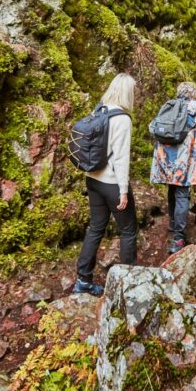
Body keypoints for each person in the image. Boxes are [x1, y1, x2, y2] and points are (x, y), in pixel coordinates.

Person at [73, 73, 139, 296]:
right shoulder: (122, 119)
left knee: (95, 228)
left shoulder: (99, 111)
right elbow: (121, 158)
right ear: (127, 92)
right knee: (129, 231)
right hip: (111, 182)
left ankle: (83, 281)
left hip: (93, 179)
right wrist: (123, 191)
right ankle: (128, 284)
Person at [150, 81, 196, 254]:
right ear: (194, 94)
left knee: (172, 189)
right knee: (182, 194)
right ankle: (178, 239)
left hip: (165, 158)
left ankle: (173, 224)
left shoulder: (169, 106)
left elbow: (154, 127)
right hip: (184, 159)